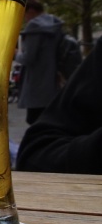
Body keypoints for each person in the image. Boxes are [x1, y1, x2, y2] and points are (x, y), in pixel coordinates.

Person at [16, 37, 101, 174]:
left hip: (36, 88)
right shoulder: (57, 31)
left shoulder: (34, 31)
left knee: (37, 120)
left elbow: (27, 58)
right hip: (52, 87)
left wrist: (16, 54)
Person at [14, 0, 64, 124]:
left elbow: (28, 58)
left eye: (23, 15)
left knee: (33, 120)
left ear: (30, 11)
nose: (24, 19)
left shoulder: (34, 26)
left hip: (36, 84)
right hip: (52, 82)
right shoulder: (54, 24)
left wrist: (16, 54)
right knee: (47, 120)